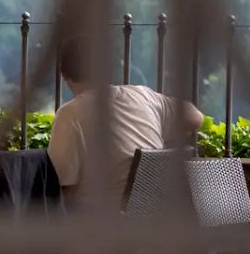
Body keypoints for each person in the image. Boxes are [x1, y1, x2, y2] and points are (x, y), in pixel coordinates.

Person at [45, 30, 201, 191]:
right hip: (157, 212)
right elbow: (195, 117)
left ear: (62, 72)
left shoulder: (70, 115)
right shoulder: (144, 96)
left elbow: (60, 187)